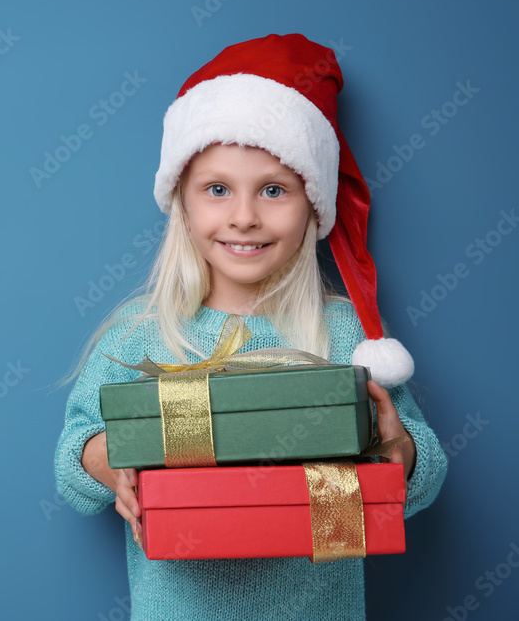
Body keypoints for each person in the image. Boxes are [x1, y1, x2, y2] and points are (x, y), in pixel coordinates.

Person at [52, 34, 448, 620]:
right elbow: (72, 459)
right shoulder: (145, 338)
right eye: (217, 189)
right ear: (182, 203)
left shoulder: (343, 337)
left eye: (273, 190)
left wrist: (398, 446)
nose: (244, 216)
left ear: (314, 205)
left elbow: (421, 478)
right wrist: (118, 463)